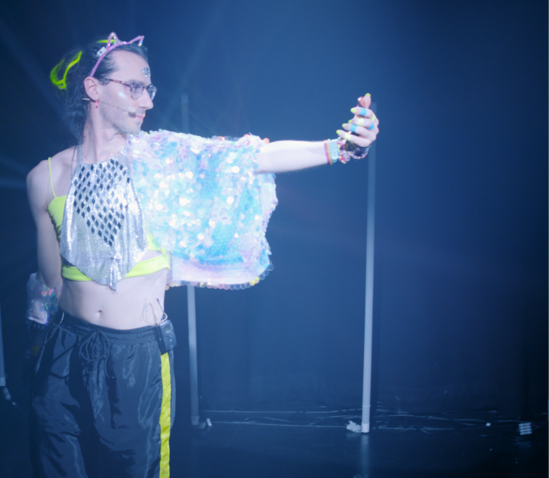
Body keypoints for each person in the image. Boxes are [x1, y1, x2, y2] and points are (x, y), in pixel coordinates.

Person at [24, 32, 379, 478]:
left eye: (149, 89)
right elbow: (49, 282)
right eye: (133, 87)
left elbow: (252, 158)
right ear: (94, 88)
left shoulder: (161, 158)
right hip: (64, 352)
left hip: (134, 359)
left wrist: (339, 148)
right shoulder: (44, 178)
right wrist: (37, 352)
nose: (147, 101)